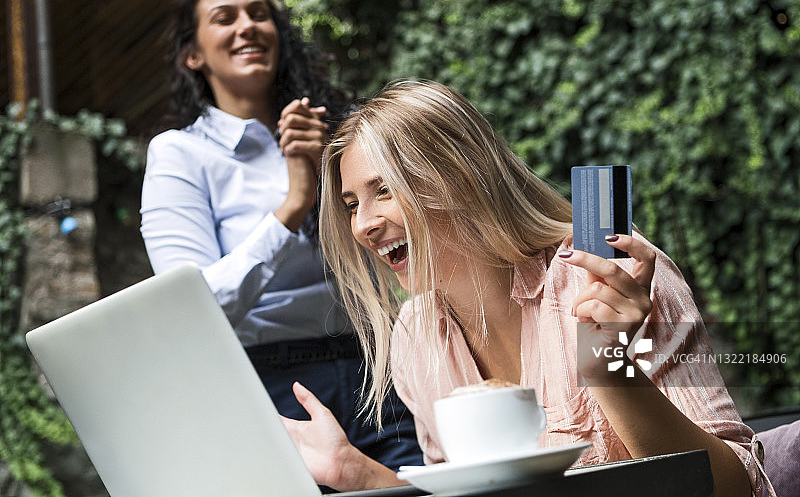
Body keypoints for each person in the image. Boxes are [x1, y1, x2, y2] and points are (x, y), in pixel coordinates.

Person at [281, 79, 776, 496]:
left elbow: (737, 487)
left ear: (459, 176)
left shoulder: (603, 273)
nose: (363, 224)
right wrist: (357, 472)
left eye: (384, 189)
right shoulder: (416, 333)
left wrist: (608, 368)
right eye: (351, 203)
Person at [139, 0, 422, 473]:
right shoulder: (181, 155)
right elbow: (190, 308)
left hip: (375, 365)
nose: (246, 26)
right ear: (193, 54)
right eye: (224, 18)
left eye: (258, 13)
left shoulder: (337, 130)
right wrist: (294, 203)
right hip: (268, 384)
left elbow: (399, 243)